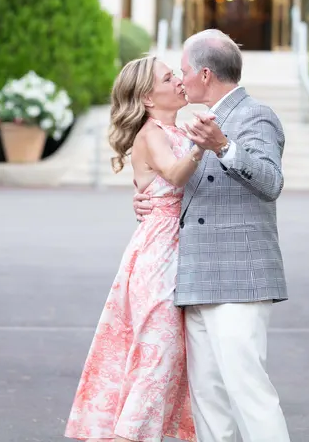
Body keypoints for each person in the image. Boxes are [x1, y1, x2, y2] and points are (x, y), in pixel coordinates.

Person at [133, 29, 291, 442]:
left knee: (248, 392)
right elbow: (177, 183)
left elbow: (271, 182)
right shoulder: (192, 126)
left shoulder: (256, 116)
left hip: (240, 279)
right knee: (207, 401)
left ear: (205, 74)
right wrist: (145, 202)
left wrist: (224, 147)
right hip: (194, 279)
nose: (180, 80)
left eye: (183, 71)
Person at [65, 56, 198, 442]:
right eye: (168, 77)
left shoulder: (179, 131)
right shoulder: (151, 132)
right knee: (158, 355)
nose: (178, 80)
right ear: (147, 98)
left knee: (171, 359)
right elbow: (173, 174)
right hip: (159, 255)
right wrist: (204, 147)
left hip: (179, 250)